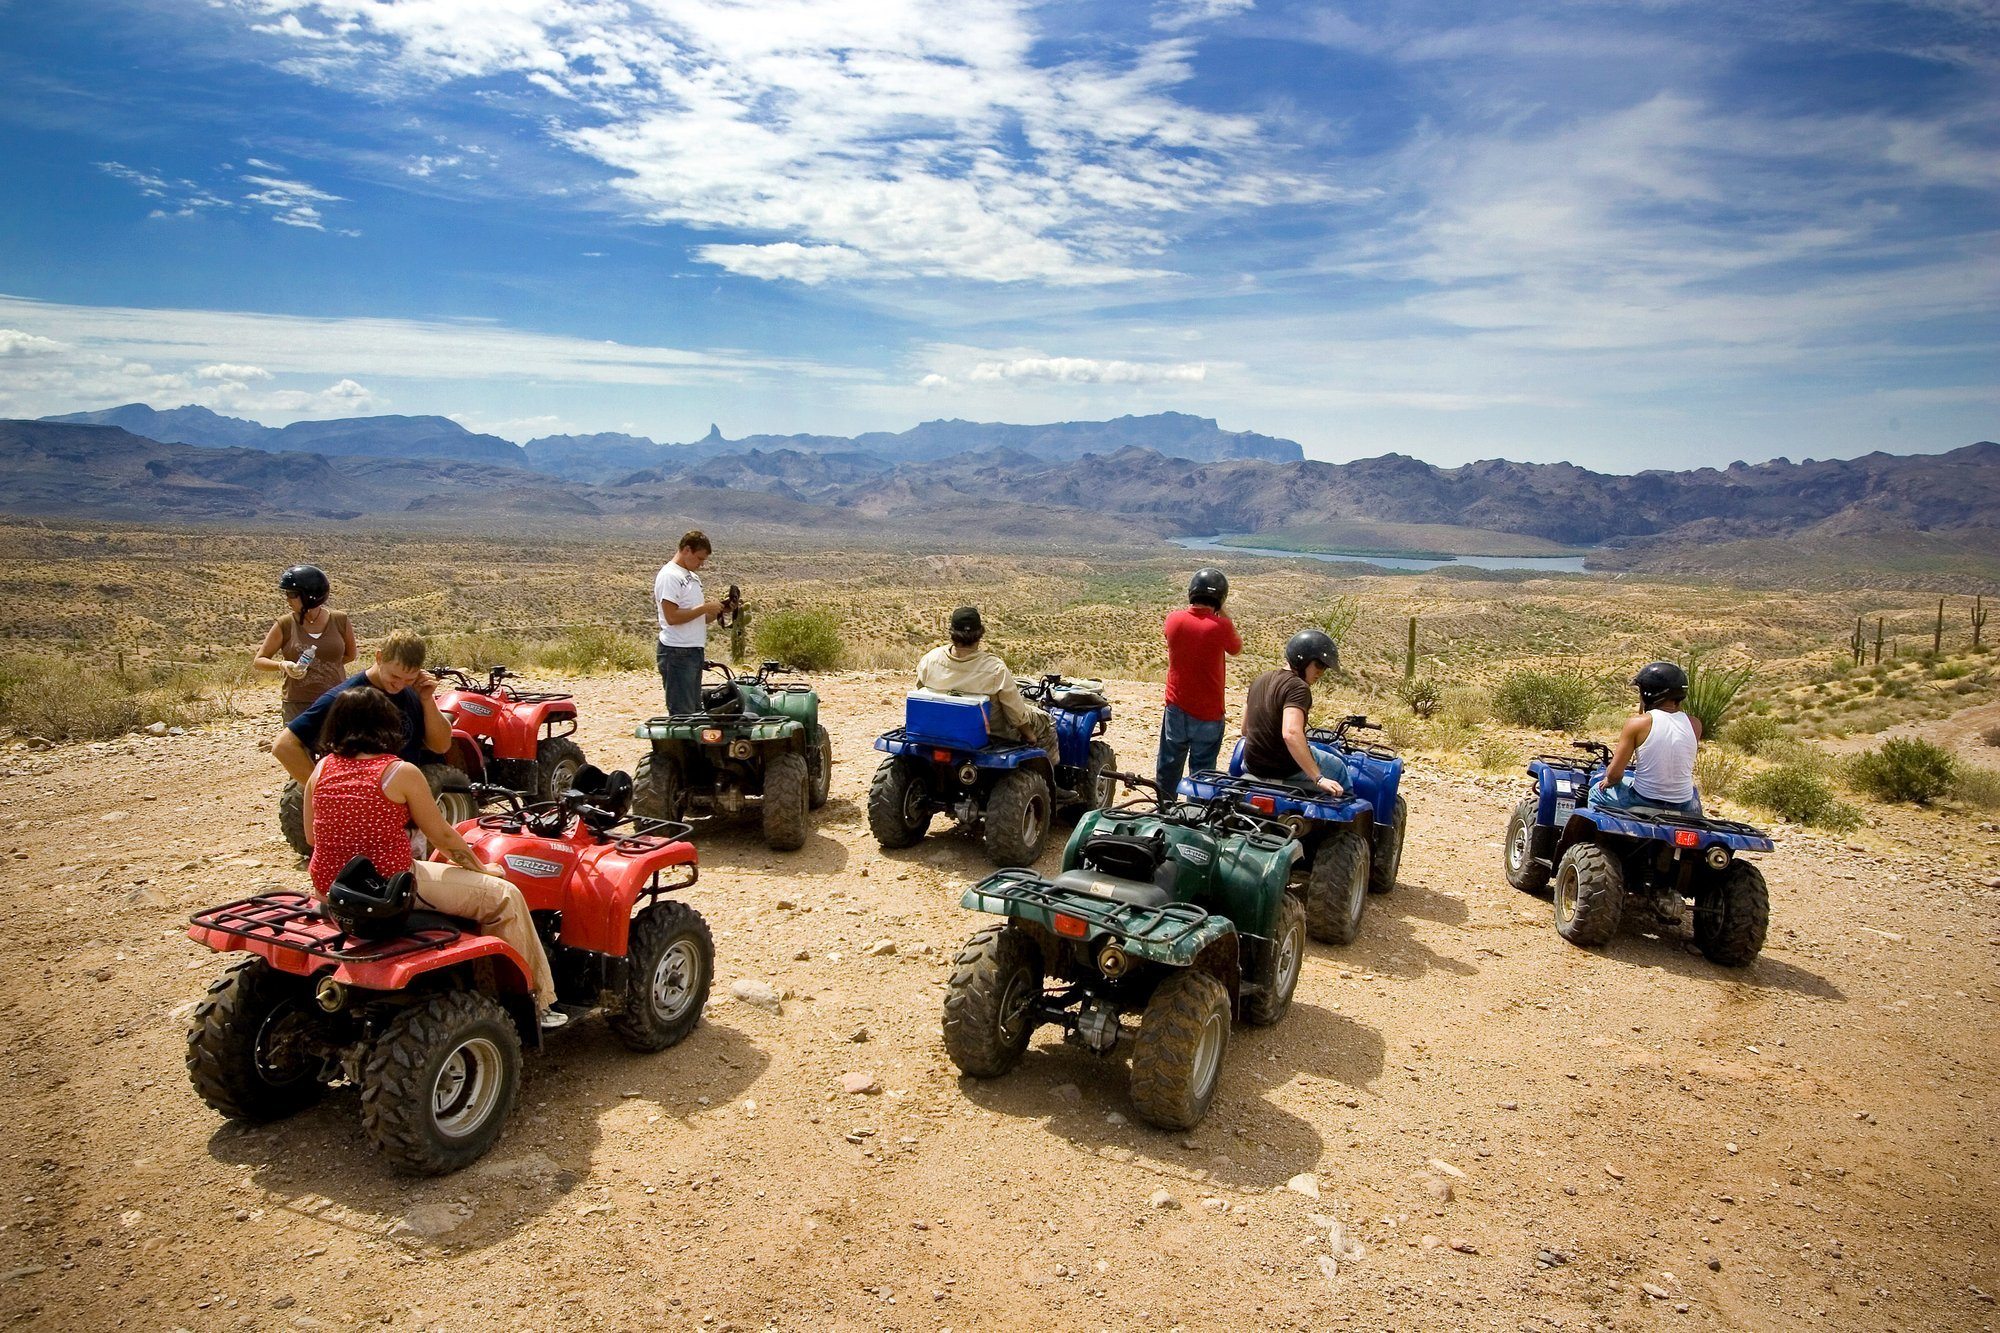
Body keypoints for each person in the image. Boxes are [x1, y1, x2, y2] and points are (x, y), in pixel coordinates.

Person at [304, 687, 564, 1028]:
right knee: (505, 896)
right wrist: (479, 866)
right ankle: (536, 1001)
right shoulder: (399, 772)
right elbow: (441, 834)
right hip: (387, 888)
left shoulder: (321, 769)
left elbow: (311, 836)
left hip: (331, 888)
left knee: (439, 871)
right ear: (386, 725)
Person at [272, 629, 452, 784]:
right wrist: (323, 792)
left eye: (409, 679)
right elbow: (284, 746)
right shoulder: (346, 697)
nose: (400, 685)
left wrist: (427, 700)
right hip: (364, 808)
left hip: (402, 802)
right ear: (379, 657)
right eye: (394, 677)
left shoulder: (413, 691)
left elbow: (441, 746)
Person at [915, 607, 1057, 758]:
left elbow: (920, 691)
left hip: (939, 731)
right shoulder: (995, 668)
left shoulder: (930, 660)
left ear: (952, 634)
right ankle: (1047, 776)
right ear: (979, 635)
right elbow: (1015, 714)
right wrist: (1029, 735)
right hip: (991, 735)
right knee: (1047, 722)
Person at [1156, 567, 1241, 796]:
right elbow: (1236, 649)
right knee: (1202, 773)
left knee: (1169, 764)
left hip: (1176, 707)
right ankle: (1195, 819)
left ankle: (1165, 810)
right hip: (1209, 713)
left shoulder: (1173, 620)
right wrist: (1222, 612)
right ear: (1220, 598)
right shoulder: (1221, 626)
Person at [1239, 629, 1349, 797]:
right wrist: (1318, 778)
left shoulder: (1260, 680)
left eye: (1325, 667)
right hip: (1284, 769)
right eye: (1319, 664)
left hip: (1252, 765)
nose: (1321, 672)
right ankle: (1345, 821)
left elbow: (1245, 730)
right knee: (1341, 769)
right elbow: (1291, 733)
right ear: (1302, 658)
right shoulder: (1298, 687)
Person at [1590, 660, 1703, 816]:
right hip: (1683, 804)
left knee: (1596, 792)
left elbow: (1615, 774)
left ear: (1649, 693)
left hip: (1644, 799)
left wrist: (1608, 780)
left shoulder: (1638, 723)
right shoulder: (1695, 724)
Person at [253, 564, 357, 722]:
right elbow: (259, 661)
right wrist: (284, 665)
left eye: (292, 594)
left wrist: (324, 666)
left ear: (310, 595)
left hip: (335, 699)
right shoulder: (285, 624)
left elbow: (350, 655)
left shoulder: (340, 620)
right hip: (298, 703)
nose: (287, 598)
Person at [654, 530, 727, 716]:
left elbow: (696, 618)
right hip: (677, 652)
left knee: (695, 712)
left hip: (693, 651)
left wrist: (719, 610)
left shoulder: (692, 577)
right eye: (699, 558)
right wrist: (704, 608)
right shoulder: (670, 576)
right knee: (682, 714)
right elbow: (672, 617)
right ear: (687, 550)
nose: (701, 564)